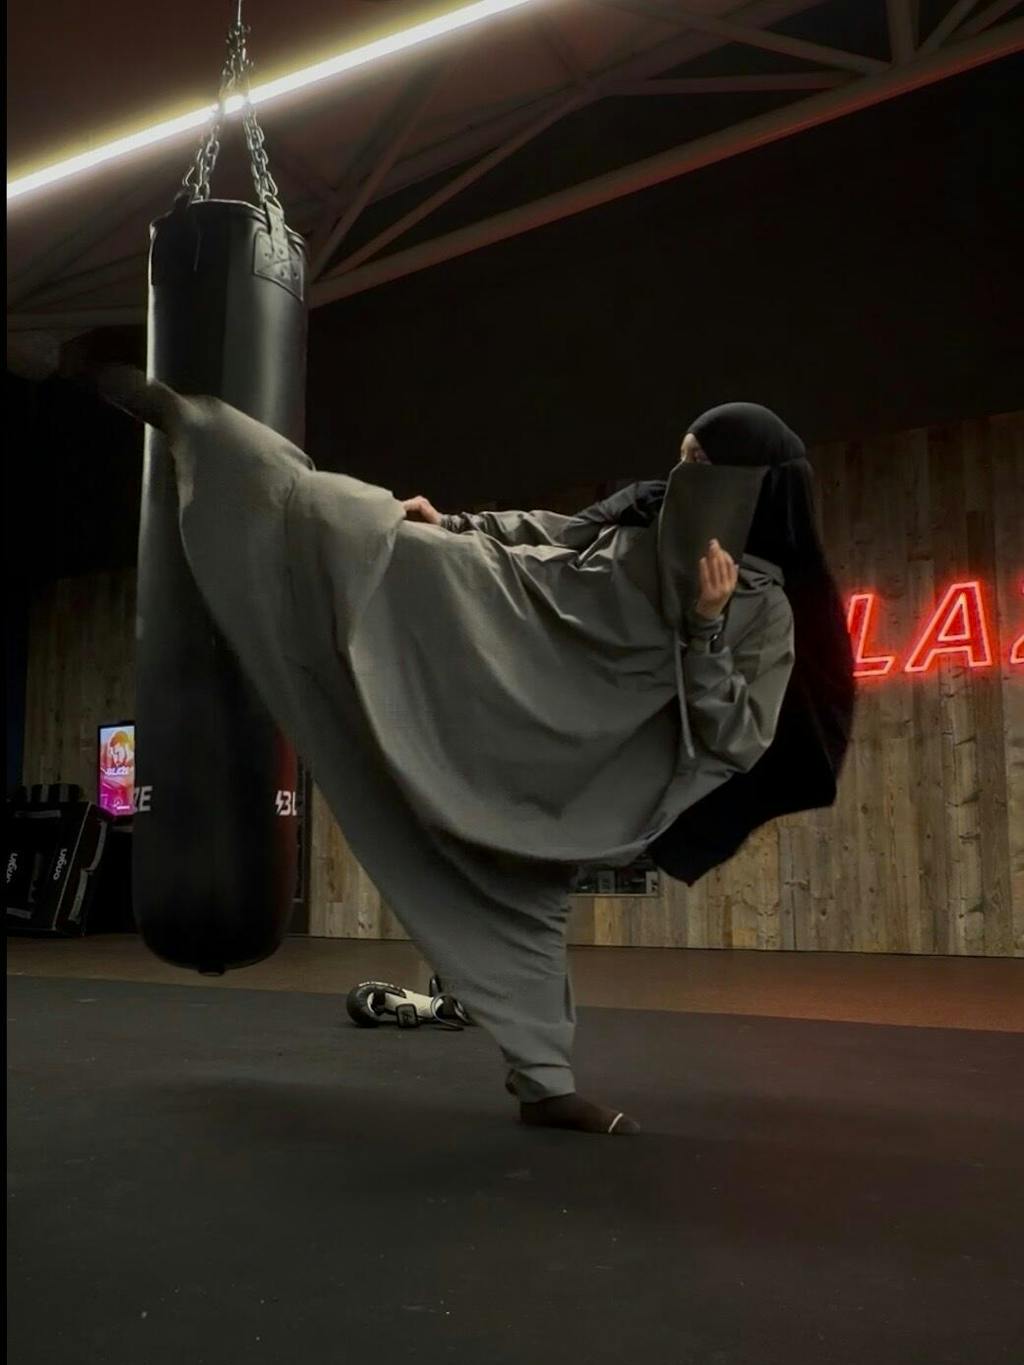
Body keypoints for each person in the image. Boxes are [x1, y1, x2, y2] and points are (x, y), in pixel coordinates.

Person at [99, 374, 850, 1136]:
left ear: (749, 487)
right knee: (370, 530)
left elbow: (736, 735)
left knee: (532, 897)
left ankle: (545, 1083)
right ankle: (214, 439)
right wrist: (457, 522)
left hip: (578, 760)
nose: (681, 472)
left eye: (700, 462)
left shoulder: (764, 613)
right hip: (517, 630)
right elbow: (551, 532)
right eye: (682, 455)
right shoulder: (647, 515)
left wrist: (706, 628)